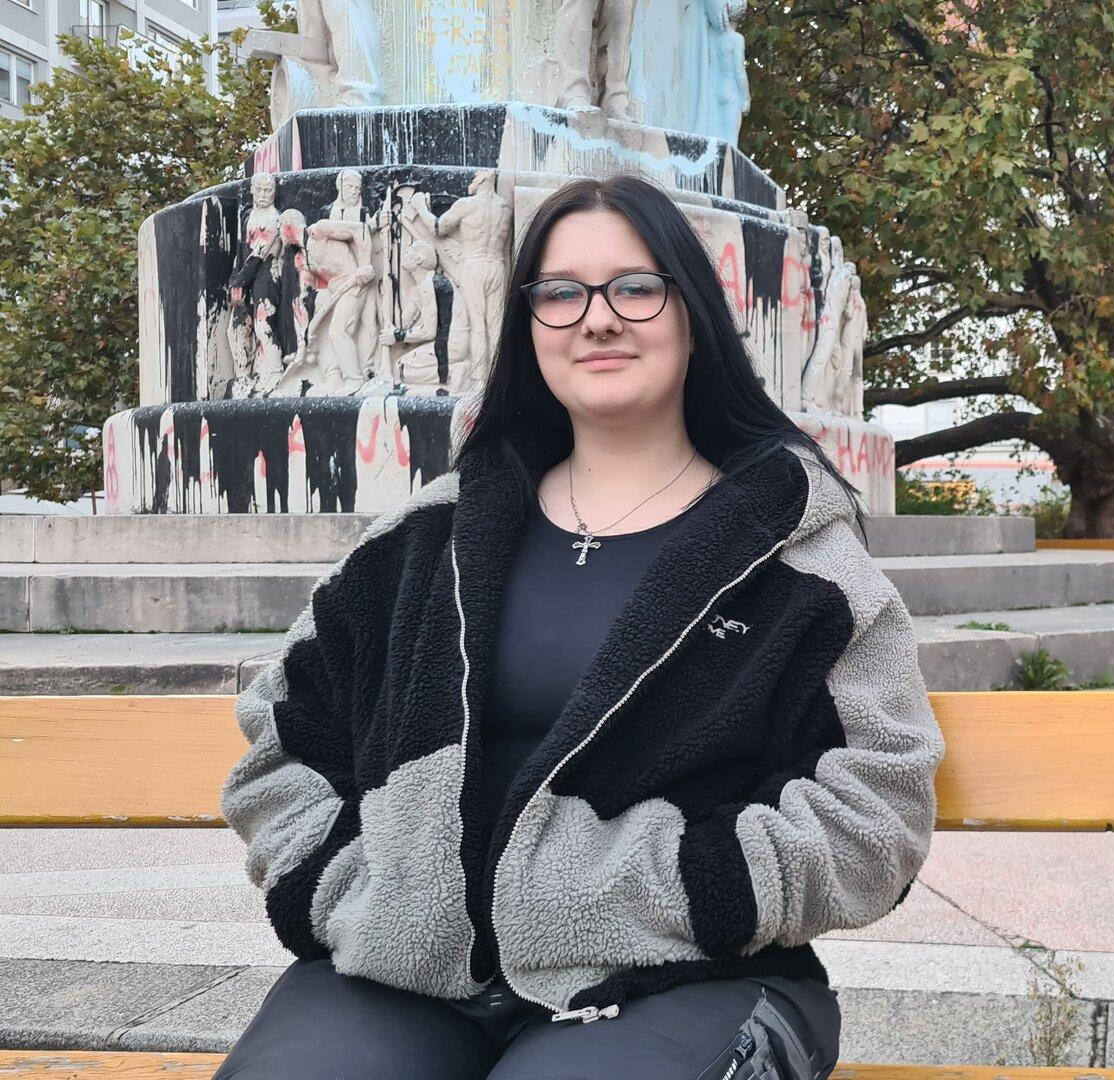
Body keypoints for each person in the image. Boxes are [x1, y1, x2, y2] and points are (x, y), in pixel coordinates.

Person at [214, 175, 946, 1079]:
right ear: (527, 325)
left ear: (692, 312)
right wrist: (350, 891)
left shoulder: (796, 562)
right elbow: (283, 739)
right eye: (560, 293)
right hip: (411, 974)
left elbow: (880, 802)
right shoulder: (425, 539)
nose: (597, 319)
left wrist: (684, 887)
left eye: (635, 287)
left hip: (685, 975)